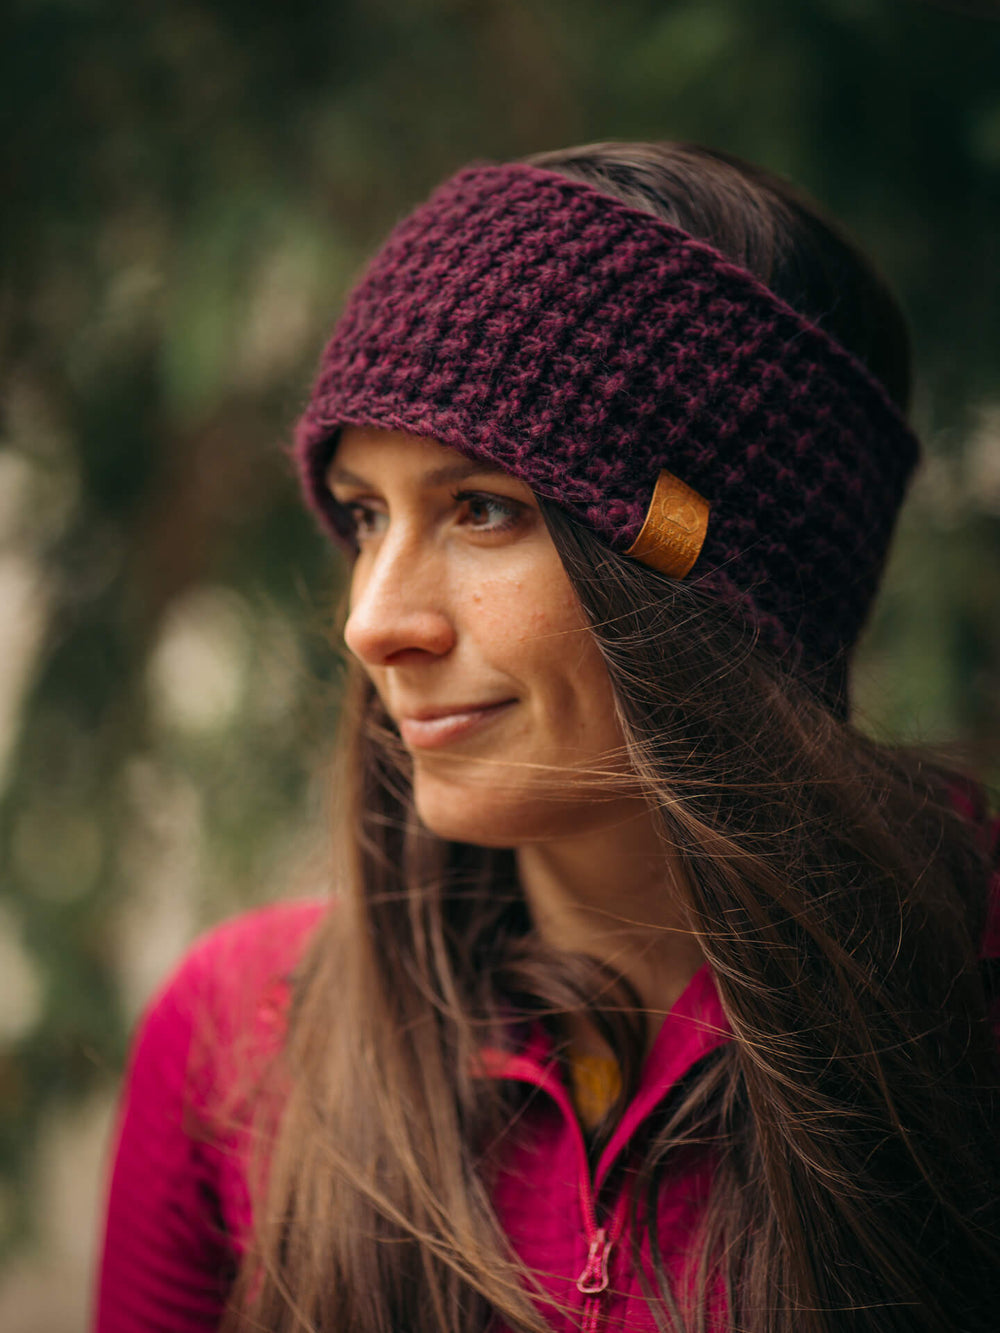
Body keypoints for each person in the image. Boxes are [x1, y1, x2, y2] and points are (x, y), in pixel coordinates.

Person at [93, 142, 1000, 1333]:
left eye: (483, 509)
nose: (373, 622)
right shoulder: (237, 1040)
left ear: (706, 570)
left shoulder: (959, 1025)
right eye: (365, 517)